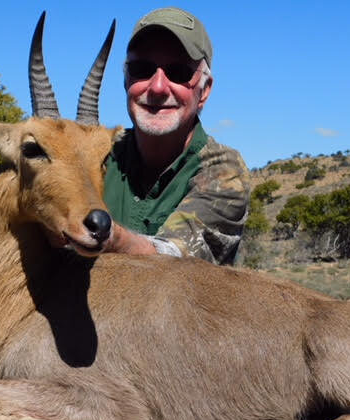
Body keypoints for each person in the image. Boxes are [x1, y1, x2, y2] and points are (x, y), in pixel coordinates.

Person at [102, 7, 250, 265]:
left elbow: (173, 261)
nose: (157, 87)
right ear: (126, 80)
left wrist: (102, 234)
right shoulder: (99, 153)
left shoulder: (225, 173)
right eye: (142, 69)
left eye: (179, 73)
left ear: (204, 91)